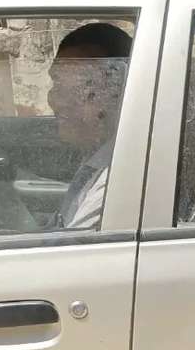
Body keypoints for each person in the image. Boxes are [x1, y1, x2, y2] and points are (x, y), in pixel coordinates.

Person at [46, 22, 132, 229]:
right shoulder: (97, 158)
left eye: (81, 90)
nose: (56, 101)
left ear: (117, 94)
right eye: (57, 84)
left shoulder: (119, 180)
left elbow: (67, 255)